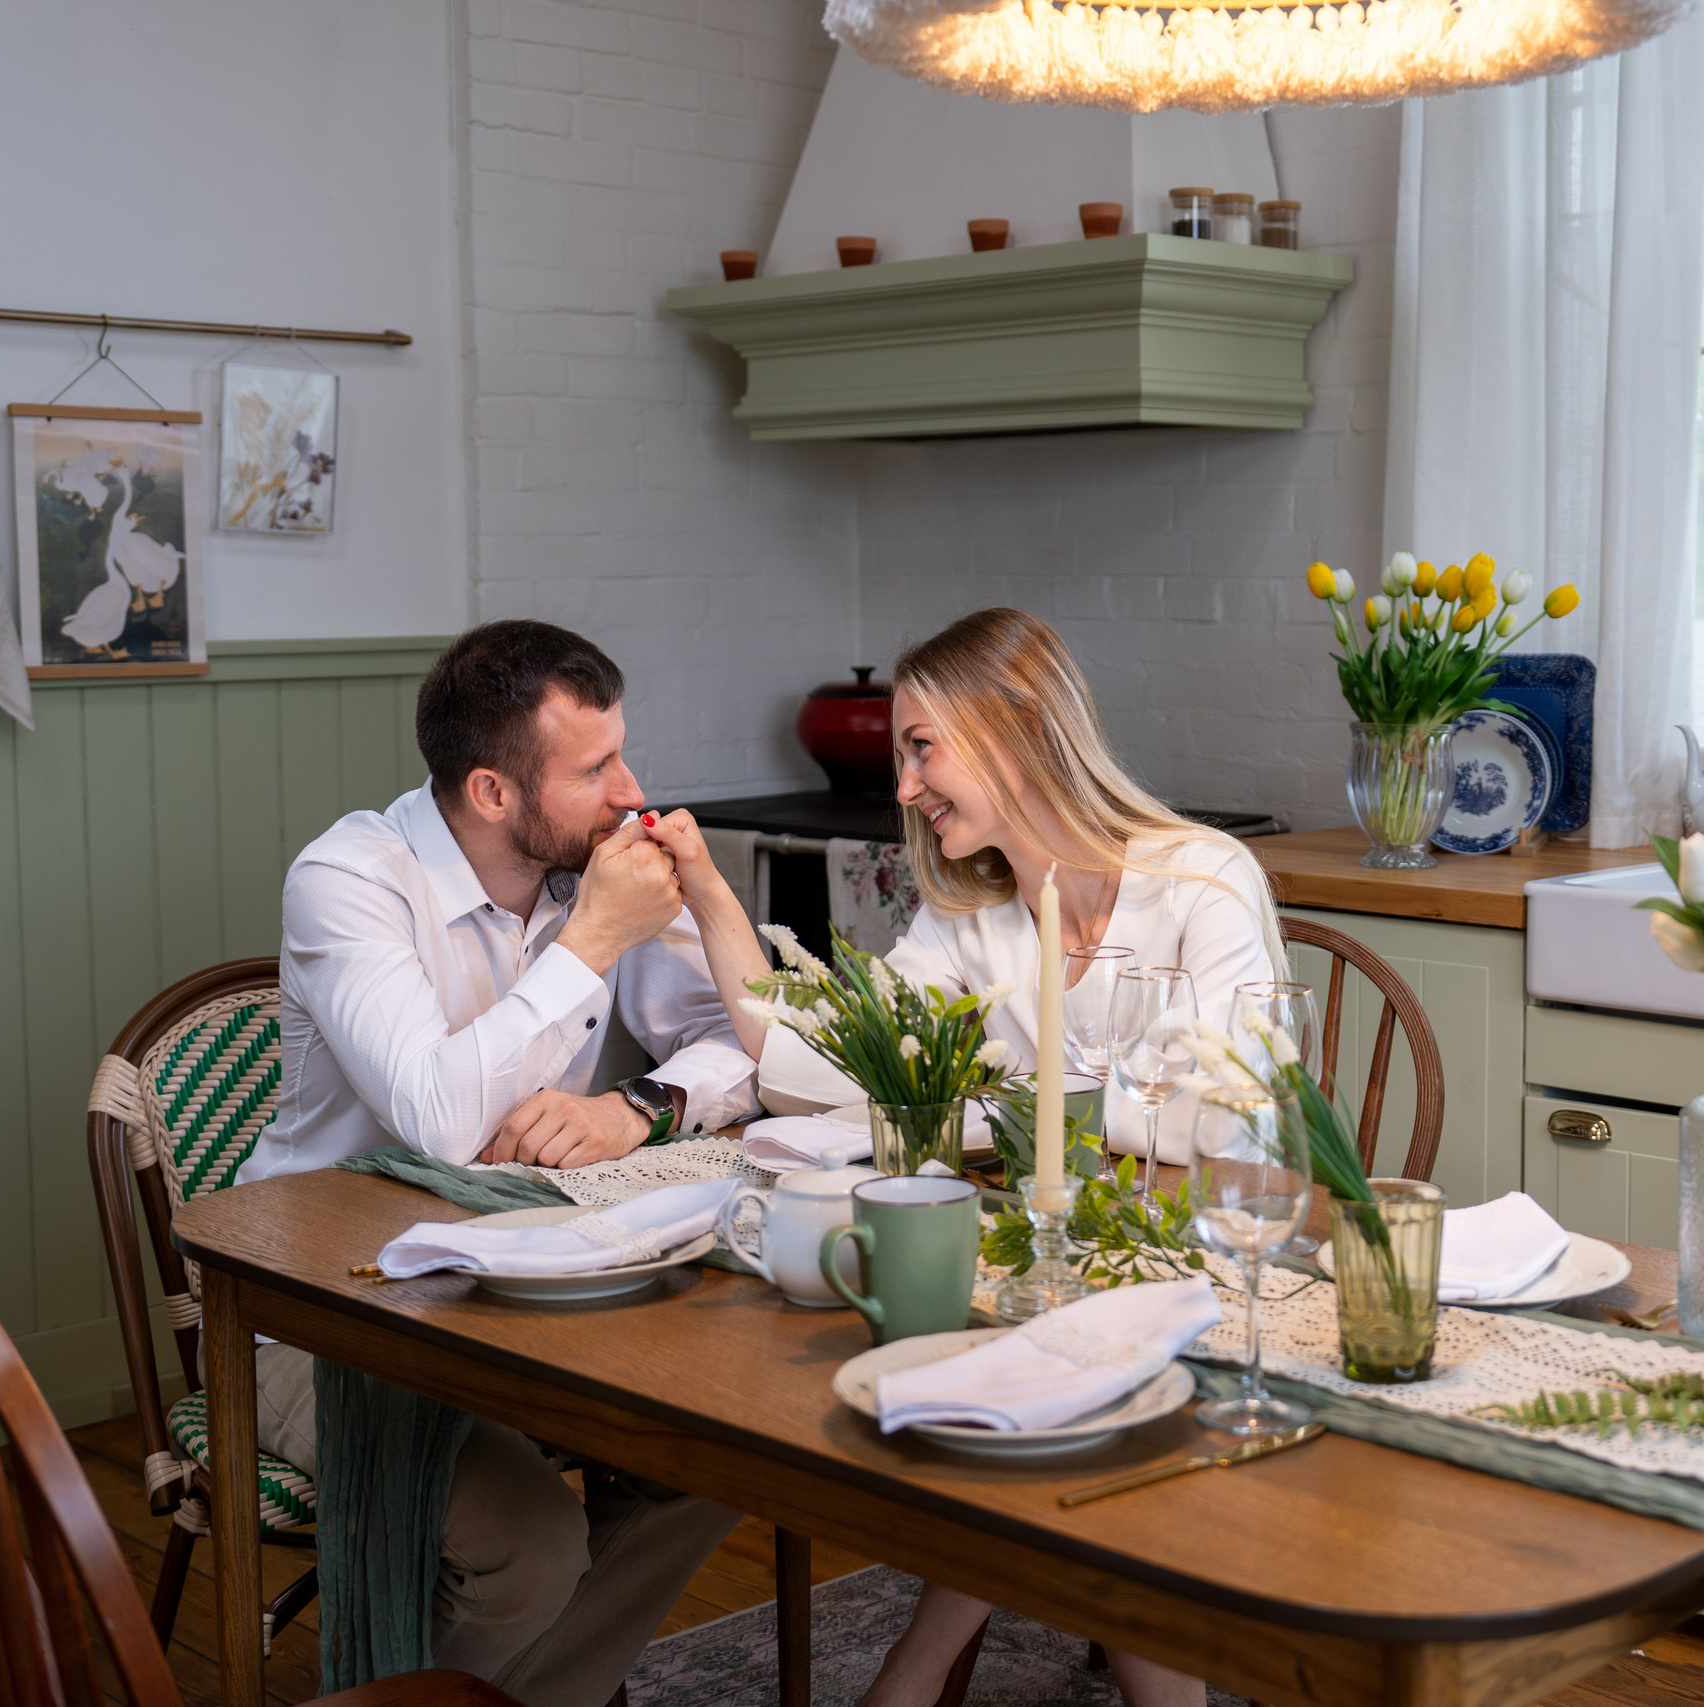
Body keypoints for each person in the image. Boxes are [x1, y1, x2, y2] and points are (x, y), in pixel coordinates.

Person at [646, 607, 1283, 1707]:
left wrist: (1001, 1095)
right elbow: (822, 1061)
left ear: (1020, 729)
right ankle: (932, 1673)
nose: (904, 785)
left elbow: (1220, 1122)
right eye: (901, 752)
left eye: (922, 746)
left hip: (1214, 1269)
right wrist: (706, 891)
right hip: (1060, 1258)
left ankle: (911, 1671)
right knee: (991, 1353)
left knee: (1042, 1375)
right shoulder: (974, 919)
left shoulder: (1205, 882)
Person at [234, 619, 757, 1707]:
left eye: (622, 752)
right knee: (527, 1545)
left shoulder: (585, 866)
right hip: (319, 1311)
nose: (631, 793)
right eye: (594, 768)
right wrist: (593, 944)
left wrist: (640, 1105)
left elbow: (744, 1041)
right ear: (491, 793)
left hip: (520, 1278)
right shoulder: (349, 880)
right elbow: (434, 1114)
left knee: (721, 1454)